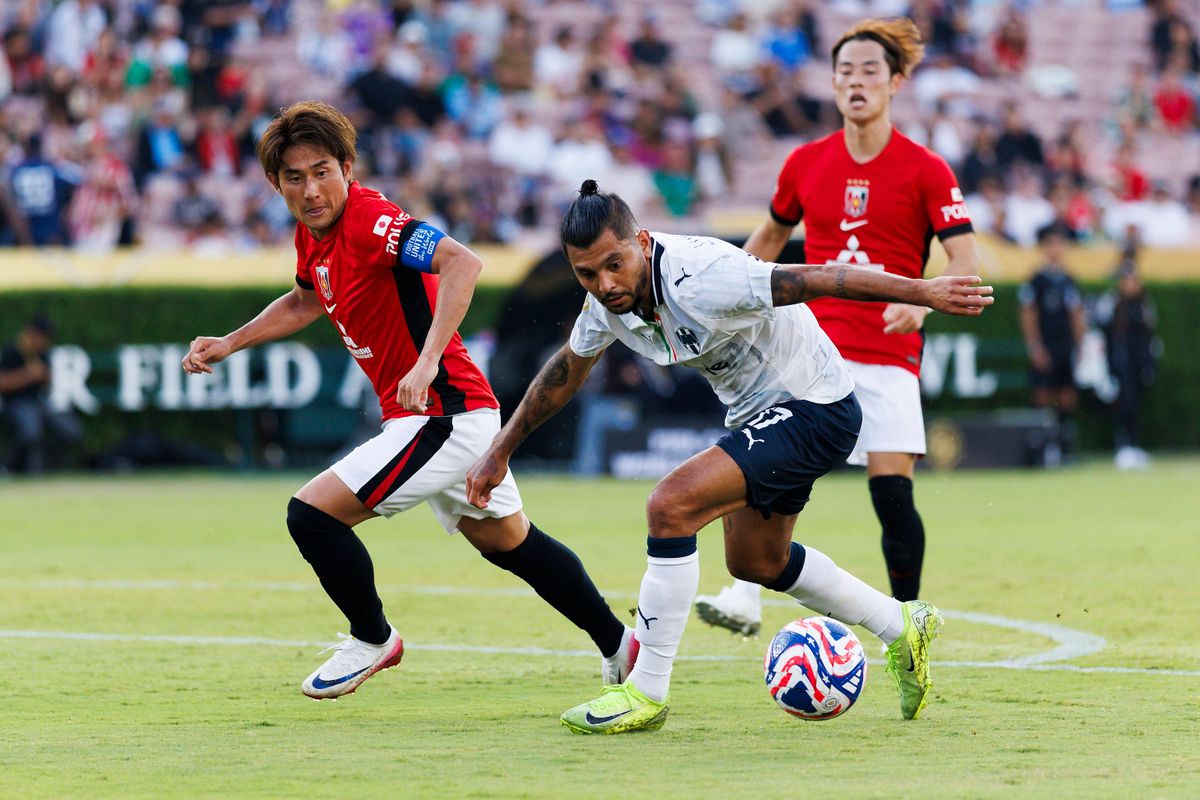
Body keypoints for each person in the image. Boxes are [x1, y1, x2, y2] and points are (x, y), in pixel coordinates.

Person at [466, 180, 993, 733]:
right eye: (587, 274)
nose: (605, 284)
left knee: (670, 506)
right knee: (756, 562)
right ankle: (902, 624)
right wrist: (500, 451)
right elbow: (565, 371)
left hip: (816, 405)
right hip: (760, 417)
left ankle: (644, 690)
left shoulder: (702, 276)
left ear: (642, 242)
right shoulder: (606, 303)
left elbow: (815, 277)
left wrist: (923, 292)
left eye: (614, 265)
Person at [181, 102, 637, 701]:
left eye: (323, 171)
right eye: (295, 177)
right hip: (446, 415)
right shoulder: (313, 235)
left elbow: (461, 263)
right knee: (510, 544)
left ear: (348, 167)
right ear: (275, 183)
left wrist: (426, 362)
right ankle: (622, 646)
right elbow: (302, 301)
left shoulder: (370, 220)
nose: (312, 189)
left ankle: (373, 638)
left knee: (312, 515)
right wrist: (231, 342)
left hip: (441, 413)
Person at [696, 18, 982, 637]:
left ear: (897, 82)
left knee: (892, 495)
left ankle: (910, 626)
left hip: (888, 354)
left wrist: (924, 303)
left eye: (870, 71)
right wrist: (728, 294)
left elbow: (964, 258)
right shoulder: (805, 162)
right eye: (846, 72)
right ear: (831, 83)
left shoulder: (927, 169)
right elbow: (768, 241)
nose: (857, 82)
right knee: (767, 471)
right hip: (810, 353)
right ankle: (744, 593)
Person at [1018, 224, 1086, 467]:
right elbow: (1028, 314)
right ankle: (1042, 449)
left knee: (1067, 394)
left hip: (1064, 345)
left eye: (1060, 244)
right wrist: (1035, 346)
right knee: (1043, 394)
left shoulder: (1069, 279)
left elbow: (1077, 313)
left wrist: (1080, 344)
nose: (1056, 249)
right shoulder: (1036, 280)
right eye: (1051, 244)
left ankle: (1064, 448)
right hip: (1045, 345)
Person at [1095, 253, 1159, 471]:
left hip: (1137, 364)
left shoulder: (1144, 305)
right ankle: (1123, 447)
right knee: (1123, 405)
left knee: (1135, 405)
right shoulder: (1111, 303)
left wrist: (1149, 364)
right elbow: (1103, 336)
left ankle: (1133, 446)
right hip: (1119, 364)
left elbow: (1149, 336)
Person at [0, 314, 83, 474]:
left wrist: (44, 375)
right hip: (16, 403)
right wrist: (28, 375)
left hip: (39, 402)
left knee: (71, 430)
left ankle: (49, 463)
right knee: (31, 430)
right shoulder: (11, 351)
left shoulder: (42, 354)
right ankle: (13, 466)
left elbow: (48, 381)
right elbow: (3, 383)